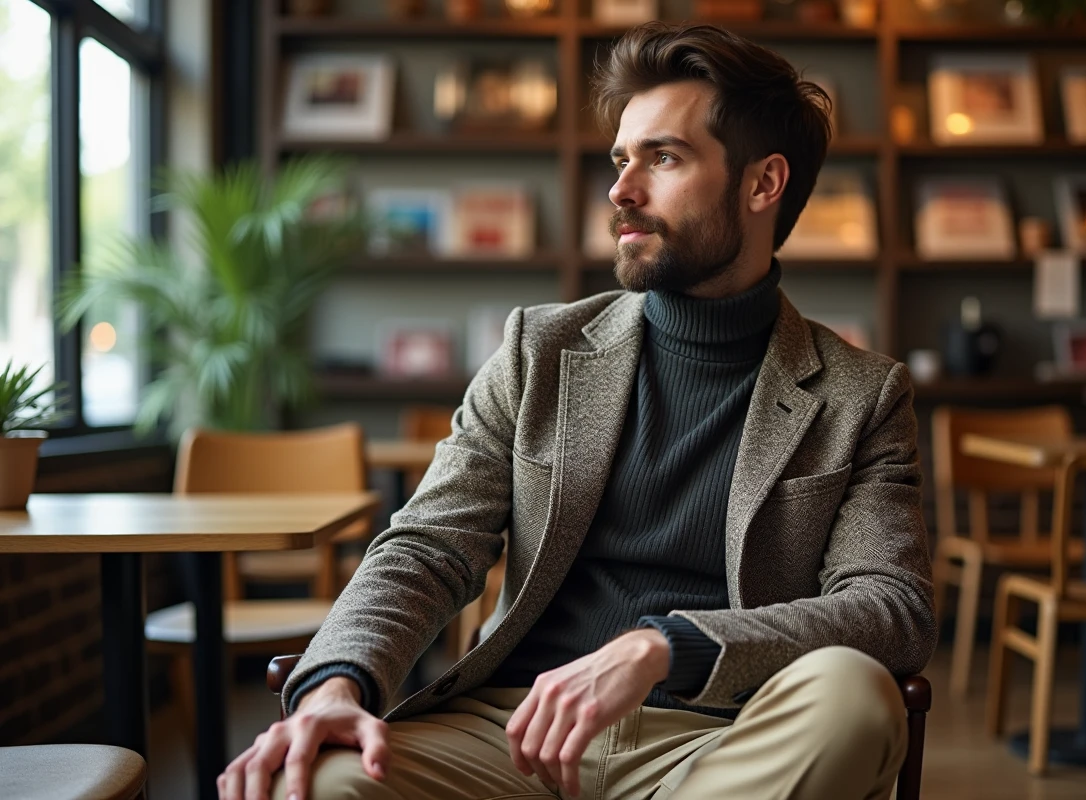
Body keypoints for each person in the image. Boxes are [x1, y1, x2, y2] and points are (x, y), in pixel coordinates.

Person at [218, 21, 936, 800]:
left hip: (719, 742)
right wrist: (336, 685)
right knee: (320, 781)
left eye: (663, 157)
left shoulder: (862, 394)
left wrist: (667, 646)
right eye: (622, 160)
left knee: (854, 698)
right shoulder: (540, 351)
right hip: (509, 731)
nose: (621, 191)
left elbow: (889, 608)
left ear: (763, 184)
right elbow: (427, 547)